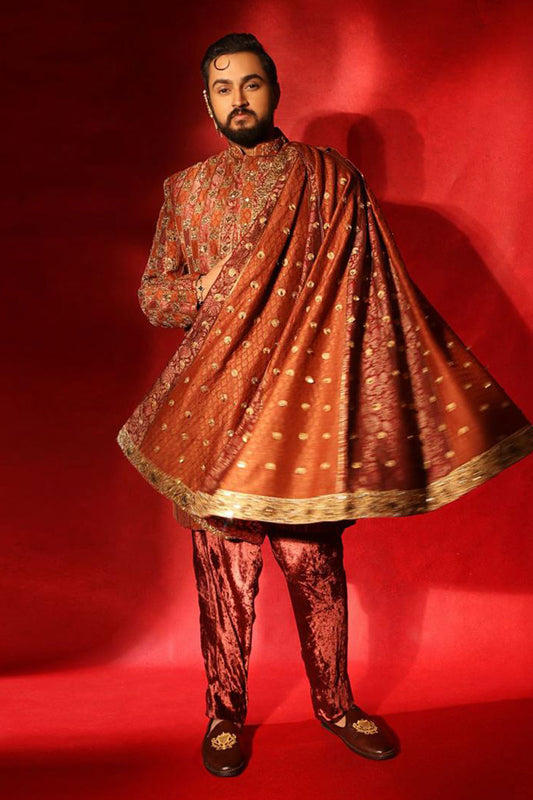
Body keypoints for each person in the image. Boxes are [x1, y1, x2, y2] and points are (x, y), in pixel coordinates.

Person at [116, 33, 533, 777]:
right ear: (206, 102)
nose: (237, 99)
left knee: (315, 569)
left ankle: (336, 706)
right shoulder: (186, 192)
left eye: (251, 84)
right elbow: (154, 296)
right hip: (214, 412)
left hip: (298, 413)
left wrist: (359, 406)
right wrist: (200, 290)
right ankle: (223, 714)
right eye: (222, 88)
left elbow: (371, 296)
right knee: (224, 576)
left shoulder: (331, 180)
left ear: (274, 90)